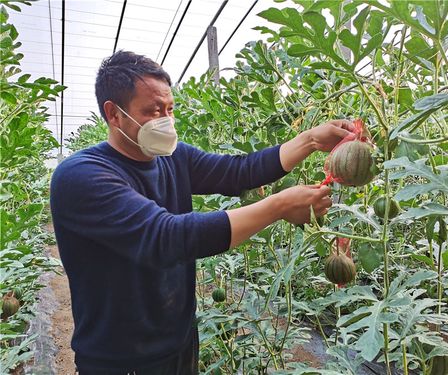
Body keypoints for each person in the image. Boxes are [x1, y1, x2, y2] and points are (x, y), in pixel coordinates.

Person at [50, 50, 354, 375]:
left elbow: (240, 172)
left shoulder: (173, 157)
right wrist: (278, 206)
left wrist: (309, 139)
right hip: (120, 360)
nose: (166, 120)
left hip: (180, 343)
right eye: (153, 111)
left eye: (169, 109)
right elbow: (166, 238)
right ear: (114, 114)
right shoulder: (81, 176)